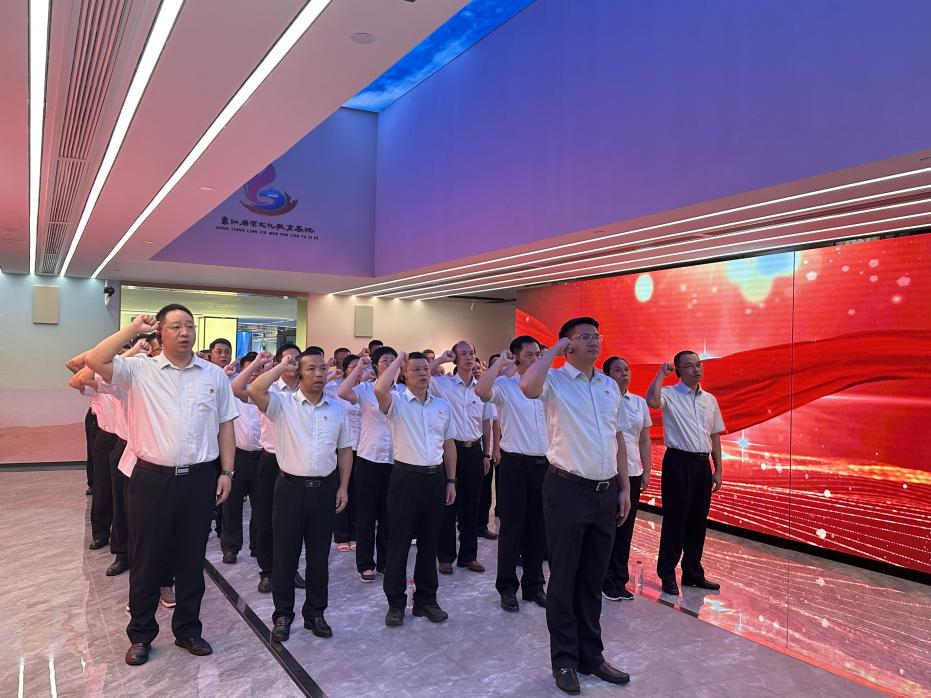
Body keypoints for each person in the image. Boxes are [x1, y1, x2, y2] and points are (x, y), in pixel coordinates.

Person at [85, 304, 238, 667]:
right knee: (146, 559)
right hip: (151, 479)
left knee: (191, 559)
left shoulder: (213, 375)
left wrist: (227, 472)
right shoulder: (140, 370)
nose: (185, 332)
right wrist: (132, 329)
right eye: (176, 326)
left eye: (190, 326)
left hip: (199, 478)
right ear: (160, 334)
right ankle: (141, 634)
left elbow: (226, 425)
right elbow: (94, 360)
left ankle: (188, 630)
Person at [521, 316, 632, 693]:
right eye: (584, 337)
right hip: (566, 489)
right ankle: (565, 660)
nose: (594, 342)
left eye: (596, 336)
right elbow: (527, 385)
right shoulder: (554, 380)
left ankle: (591, 655)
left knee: (592, 579)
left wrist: (624, 487)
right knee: (565, 578)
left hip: (605, 491)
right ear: (567, 344)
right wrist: (554, 350)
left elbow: (617, 437)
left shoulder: (608, 386)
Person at [249, 348, 352, 643]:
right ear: (299, 373)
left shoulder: (337, 410)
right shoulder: (283, 404)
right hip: (290, 489)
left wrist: (343, 487)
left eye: (322, 369)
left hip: (325, 490)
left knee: (319, 556)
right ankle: (283, 615)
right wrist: (281, 364)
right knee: (285, 555)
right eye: (311, 369)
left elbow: (345, 450)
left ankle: (315, 613)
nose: (319, 374)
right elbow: (254, 389)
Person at [375, 351, 457, 626]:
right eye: (416, 369)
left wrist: (451, 480)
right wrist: (399, 360)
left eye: (426, 369)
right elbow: (379, 388)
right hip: (405, 478)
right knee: (398, 543)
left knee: (429, 542)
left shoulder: (441, 406)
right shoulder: (396, 402)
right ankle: (395, 603)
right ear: (405, 374)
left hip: (435, 479)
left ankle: (426, 600)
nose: (423, 373)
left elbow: (448, 444)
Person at [476, 336, 548, 613]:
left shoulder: (546, 386)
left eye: (538, 354)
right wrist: (500, 364)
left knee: (539, 528)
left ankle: (534, 585)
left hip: (545, 464)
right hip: (515, 465)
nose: (535, 358)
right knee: (512, 528)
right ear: (516, 357)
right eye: (529, 354)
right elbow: (482, 391)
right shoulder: (506, 386)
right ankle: (507, 588)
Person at [646, 351, 725, 596]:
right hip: (678, 463)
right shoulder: (669, 394)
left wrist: (718, 469)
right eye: (689, 366)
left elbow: (714, 435)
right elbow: (652, 401)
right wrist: (661, 374)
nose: (696, 369)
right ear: (678, 371)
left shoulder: (709, 399)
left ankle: (692, 573)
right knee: (675, 519)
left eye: (698, 364)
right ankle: (667, 573)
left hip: (702, 465)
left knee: (698, 520)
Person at [232, 343, 305, 593]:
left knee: (293, 521)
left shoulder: (307, 391)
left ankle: (290, 569)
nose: (292, 363)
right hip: (271, 461)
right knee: (265, 518)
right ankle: (267, 572)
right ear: (277, 362)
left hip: (297, 463)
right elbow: (237, 388)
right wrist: (259, 364)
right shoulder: (267, 389)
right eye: (287, 359)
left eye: (296, 359)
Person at [428, 342, 494, 574]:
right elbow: (422, 374)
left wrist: (487, 453)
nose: (468, 357)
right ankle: (445, 556)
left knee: (471, 505)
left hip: (475, 450)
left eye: (471, 353)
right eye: (463, 354)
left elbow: (486, 423)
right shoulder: (444, 385)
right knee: (448, 503)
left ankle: (469, 556)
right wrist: (440, 359)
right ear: (455, 359)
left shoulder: (482, 388)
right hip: (450, 449)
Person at [338, 346, 397, 582]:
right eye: (385, 360)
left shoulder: (403, 392)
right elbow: (343, 392)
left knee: (389, 514)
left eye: (393, 360)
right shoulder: (365, 389)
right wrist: (359, 367)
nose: (390, 364)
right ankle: (365, 563)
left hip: (395, 460)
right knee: (366, 514)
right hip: (369, 459)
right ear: (376, 366)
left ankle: (385, 561)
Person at [601, 357, 652, 602]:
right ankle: (605, 579)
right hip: (608, 472)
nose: (624, 374)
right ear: (607, 375)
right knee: (607, 529)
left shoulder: (639, 402)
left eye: (626, 370)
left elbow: (644, 439)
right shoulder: (602, 399)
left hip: (632, 471)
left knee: (626, 529)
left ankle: (620, 579)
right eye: (618, 370)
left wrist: (647, 470)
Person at [221, 350, 273, 564]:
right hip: (238, 456)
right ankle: (230, 547)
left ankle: (257, 546)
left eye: (259, 369)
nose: (255, 373)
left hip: (262, 457)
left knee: (261, 506)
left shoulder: (270, 393)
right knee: (232, 505)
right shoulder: (232, 389)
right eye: (250, 369)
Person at [326, 353, 361, 553]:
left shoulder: (368, 389)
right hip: (341, 447)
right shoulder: (335, 390)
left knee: (357, 494)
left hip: (363, 448)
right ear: (346, 370)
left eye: (362, 366)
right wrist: (332, 374)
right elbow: (318, 388)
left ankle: (355, 533)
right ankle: (341, 534)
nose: (359, 370)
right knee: (341, 489)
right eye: (354, 367)